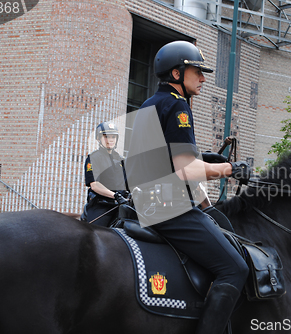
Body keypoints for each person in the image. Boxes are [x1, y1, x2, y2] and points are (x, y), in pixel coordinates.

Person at [136, 40, 251, 334]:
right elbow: (185, 168)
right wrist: (230, 169)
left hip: (145, 200)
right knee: (235, 269)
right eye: (196, 71)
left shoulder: (150, 103)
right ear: (177, 74)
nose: (202, 78)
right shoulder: (177, 106)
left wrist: (205, 203)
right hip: (168, 207)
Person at [83, 121, 129, 227]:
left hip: (122, 204)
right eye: (106, 137)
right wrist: (115, 195)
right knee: (96, 233)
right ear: (99, 139)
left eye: (113, 137)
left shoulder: (121, 159)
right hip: (102, 205)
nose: (110, 140)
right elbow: (94, 185)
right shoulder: (93, 158)